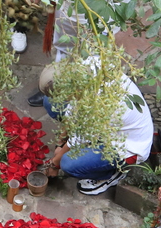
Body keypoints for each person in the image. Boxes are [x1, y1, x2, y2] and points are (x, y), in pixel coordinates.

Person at [39, 57, 154, 196]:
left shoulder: (101, 105)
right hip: (105, 127)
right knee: (50, 101)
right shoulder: (86, 68)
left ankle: (110, 175)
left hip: (126, 146)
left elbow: (79, 137)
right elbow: (72, 112)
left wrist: (54, 163)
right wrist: (60, 143)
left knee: (68, 163)